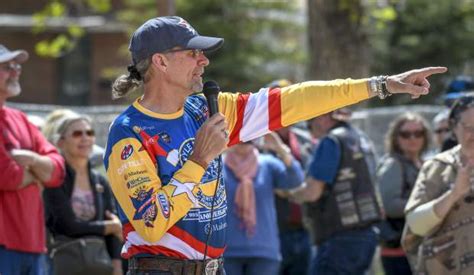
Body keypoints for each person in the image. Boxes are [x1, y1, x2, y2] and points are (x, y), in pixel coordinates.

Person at [103, 15, 446, 274]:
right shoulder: (129, 132)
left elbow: (295, 100)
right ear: (161, 62)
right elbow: (150, 224)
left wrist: (382, 85)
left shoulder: (206, 109)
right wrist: (198, 161)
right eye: (193, 53)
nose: (204, 61)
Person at [288, 109, 381, 275]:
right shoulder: (360, 138)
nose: (309, 130)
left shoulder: (331, 141)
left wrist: (290, 194)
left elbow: (312, 192)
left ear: (323, 117)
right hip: (367, 234)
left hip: (339, 238)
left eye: (310, 122)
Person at [0, 44, 65, 274]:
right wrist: (38, 172)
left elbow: (58, 170)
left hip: (33, 246)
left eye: (16, 65)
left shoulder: (20, 119)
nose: (16, 71)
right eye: (7, 66)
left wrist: (31, 160)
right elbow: (8, 176)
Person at [42, 111, 123, 275]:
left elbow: (113, 228)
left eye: (89, 133)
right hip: (62, 264)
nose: (85, 138)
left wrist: (116, 264)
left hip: (99, 264)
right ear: (61, 142)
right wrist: (110, 227)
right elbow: (68, 226)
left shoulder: (100, 181)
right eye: (77, 133)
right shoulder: (55, 179)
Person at [402, 93, 474, 275]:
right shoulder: (436, 168)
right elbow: (416, 225)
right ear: (454, 128)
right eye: (468, 127)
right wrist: (454, 194)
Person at [223, 133, 304, 275]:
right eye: (240, 135)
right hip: (227, 251)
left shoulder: (268, 163)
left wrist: (280, 149)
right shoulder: (219, 165)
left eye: (248, 136)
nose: (244, 140)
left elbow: (295, 180)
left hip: (264, 251)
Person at [266, 79, 314, 275]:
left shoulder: (305, 140)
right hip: (273, 231)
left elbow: (312, 178)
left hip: (304, 229)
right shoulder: (257, 141)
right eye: (279, 101)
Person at [376, 113, 431, 275]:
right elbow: (391, 206)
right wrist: (430, 204)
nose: (413, 138)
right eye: (406, 134)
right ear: (396, 138)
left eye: (418, 133)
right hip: (398, 251)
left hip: (418, 247)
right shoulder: (393, 164)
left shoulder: (423, 163)